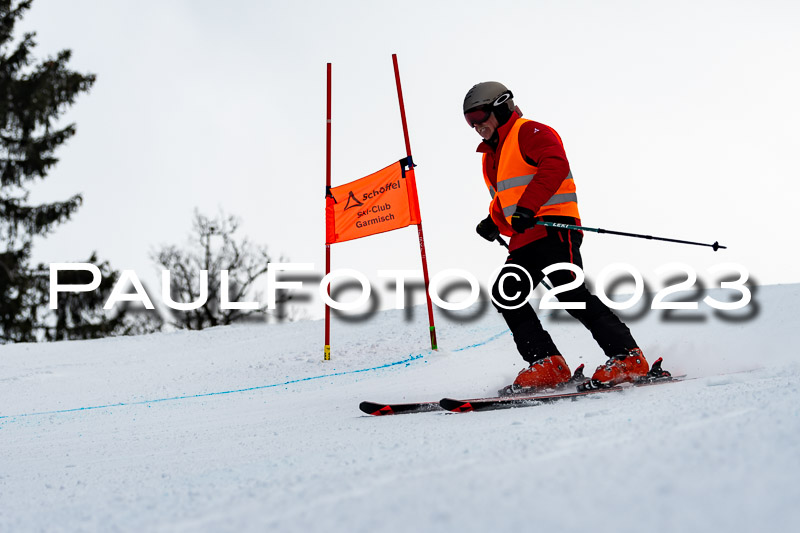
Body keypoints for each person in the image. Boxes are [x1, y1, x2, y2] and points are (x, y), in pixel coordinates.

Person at [463, 81, 648, 392]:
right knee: (506, 294)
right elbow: (507, 197)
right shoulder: (491, 156)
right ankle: (548, 364)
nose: (476, 125)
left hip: (554, 228)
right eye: (470, 120)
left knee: (570, 293)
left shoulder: (530, 131)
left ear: (501, 105)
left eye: (480, 115)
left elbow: (554, 165)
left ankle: (628, 358)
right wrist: (493, 220)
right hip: (525, 238)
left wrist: (527, 207)